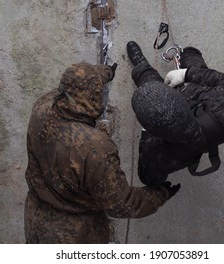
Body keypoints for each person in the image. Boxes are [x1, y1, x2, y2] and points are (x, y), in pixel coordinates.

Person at [24, 62, 180, 244]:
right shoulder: (94, 147)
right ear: (95, 96)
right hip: (74, 234)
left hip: (35, 218)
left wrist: (105, 73)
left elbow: (75, 83)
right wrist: (159, 194)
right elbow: (121, 204)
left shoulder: (42, 108)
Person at [126, 41, 224, 186]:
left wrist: (147, 133)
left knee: (147, 78)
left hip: (195, 106)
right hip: (203, 100)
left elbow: (148, 177)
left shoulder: (158, 156)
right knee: (191, 56)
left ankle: (142, 68)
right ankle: (188, 54)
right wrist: (187, 74)